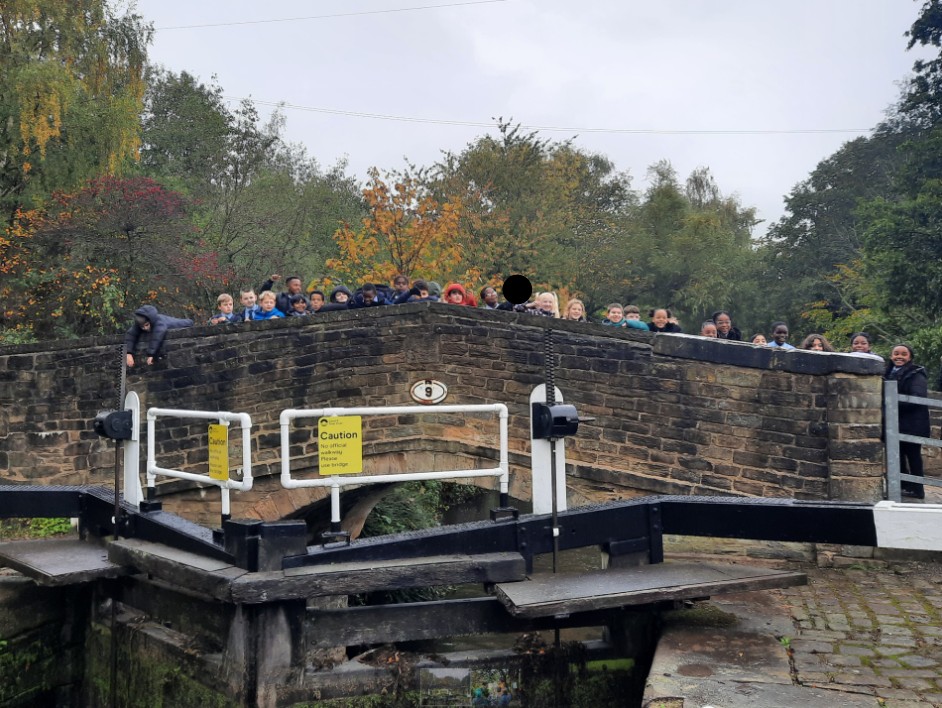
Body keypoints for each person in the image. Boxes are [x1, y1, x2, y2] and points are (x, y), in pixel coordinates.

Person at [885, 344, 930, 499]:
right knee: (897, 456)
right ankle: (904, 486)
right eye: (896, 353)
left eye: (904, 354)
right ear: (891, 356)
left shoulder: (916, 374)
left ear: (910, 357)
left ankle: (918, 490)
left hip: (913, 424)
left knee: (913, 457)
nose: (899, 356)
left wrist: (890, 404)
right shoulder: (888, 373)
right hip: (896, 424)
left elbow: (917, 398)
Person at [124, 305, 193, 367]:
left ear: (151, 321)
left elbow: (157, 336)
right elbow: (130, 335)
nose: (145, 328)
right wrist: (128, 353)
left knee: (185, 322)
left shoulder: (159, 322)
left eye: (147, 325)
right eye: (142, 327)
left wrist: (151, 354)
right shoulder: (139, 324)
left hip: (173, 322)